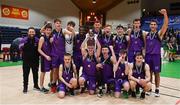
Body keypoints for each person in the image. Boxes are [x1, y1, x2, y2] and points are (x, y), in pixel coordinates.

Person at [145, 9, 168, 97]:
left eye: (154, 24)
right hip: (147, 56)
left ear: (157, 26)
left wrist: (165, 14)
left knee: (157, 73)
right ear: (149, 26)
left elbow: (165, 25)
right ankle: (149, 88)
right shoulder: (146, 34)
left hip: (156, 56)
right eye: (151, 24)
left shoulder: (159, 34)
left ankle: (157, 89)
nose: (153, 26)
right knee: (149, 73)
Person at [50, 19, 75, 93]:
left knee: (62, 70)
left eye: (60, 23)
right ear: (54, 24)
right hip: (54, 54)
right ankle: (54, 84)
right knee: (55, 71)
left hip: (62, 54)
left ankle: (61, 84)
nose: (58, 24)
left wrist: (72, 30)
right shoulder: (52, 32)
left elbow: (72, 34)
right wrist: (50, 39)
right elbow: (43, 32)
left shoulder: (63, 31)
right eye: (57, 23)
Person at [19, 27, 40, 93]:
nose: (31, 33)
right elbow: (20, 48)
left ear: (35, 33)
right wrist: (24, 45)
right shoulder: (23, 40)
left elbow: (40, 48)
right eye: (30, 32)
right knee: (25, 74)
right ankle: (25, 87)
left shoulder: (37, 40)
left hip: (35, 60)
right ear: (28, 32)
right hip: (26, 61)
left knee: (35, 74)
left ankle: (36, 85)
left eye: (33, 32)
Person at [38, 24, 52, 93]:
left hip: (50, 57)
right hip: (44, 58)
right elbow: (39, 49)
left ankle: (51, 84)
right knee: (43, 72)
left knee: (52, 71)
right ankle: (41, 87)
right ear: (45, 30)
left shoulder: (51, 38)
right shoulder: (42, 38)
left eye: (50, 30)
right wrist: (46, 56)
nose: (48, 31)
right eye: (47, 30)